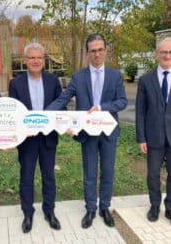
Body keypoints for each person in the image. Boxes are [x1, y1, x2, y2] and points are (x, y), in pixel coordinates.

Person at [47, 33, 127, 228]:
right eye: (93, 51)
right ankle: (91, 208)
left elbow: (122, 101)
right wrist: (45, 114)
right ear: (87, 53)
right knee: (90, 172)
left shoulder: (115, 75)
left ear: (105, 51)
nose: (97, 54)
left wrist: (101, 107)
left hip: (108, 133)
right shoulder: (78, 76)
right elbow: (63, 98)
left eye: (100, 50)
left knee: (107, 172)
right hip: (88, 134)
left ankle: (104, 207)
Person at [9, 43, 62, 233]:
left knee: (49, 176)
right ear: (25, 60)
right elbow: (14, 113)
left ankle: (49, 211)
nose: (36, 61)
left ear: (44, 59)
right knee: (27, 177)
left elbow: (60, 107)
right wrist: (22, 129)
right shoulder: (16, 83)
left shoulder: (53, 80)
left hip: (48, 138)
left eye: (39, 57)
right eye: (31, 57)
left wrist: (65, 124)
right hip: (27, 140)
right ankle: (28, 213)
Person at [136, 37, 171, 229]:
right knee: (152, 174)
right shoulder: (145, 80)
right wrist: (141, 137)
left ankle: (170, 207)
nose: (167, 55)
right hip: (153, 136)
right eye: (164, 52)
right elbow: (140, 110)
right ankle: (154, 205)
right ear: (157, 54)